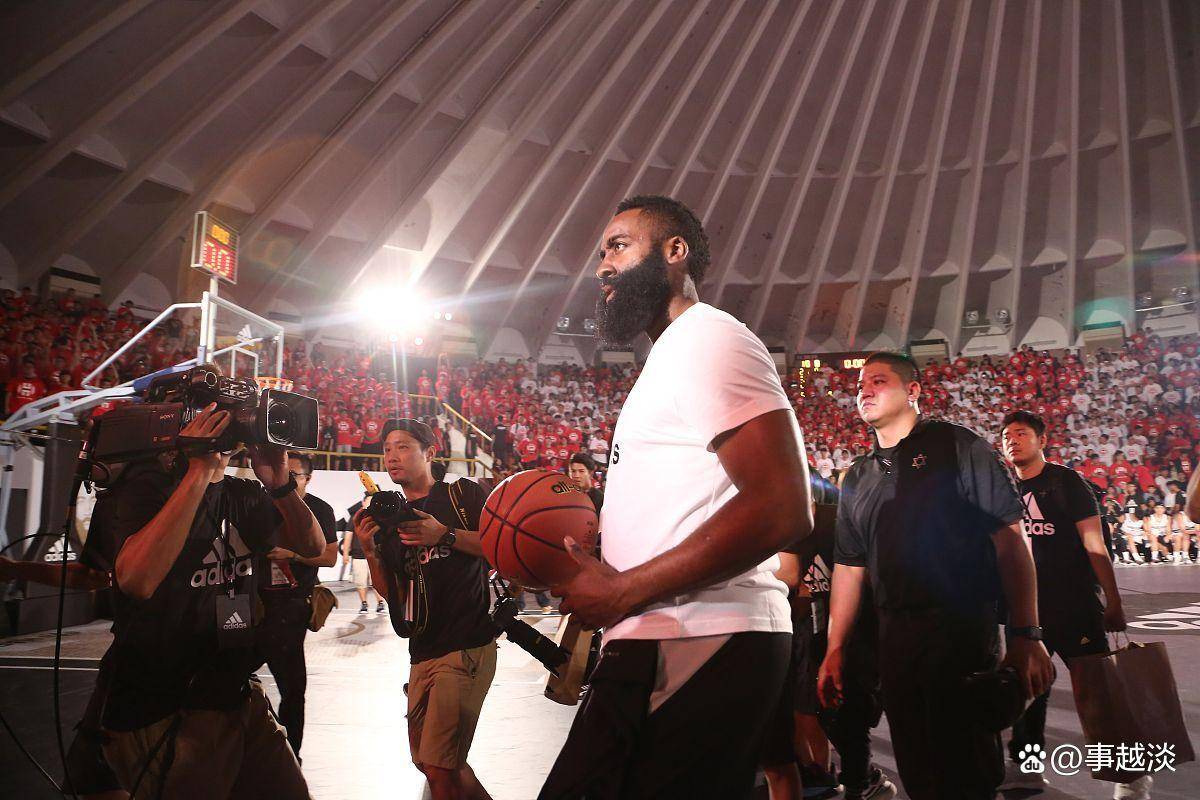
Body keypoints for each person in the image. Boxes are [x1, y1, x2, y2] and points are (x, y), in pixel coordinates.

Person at [540, 195, 813, 799]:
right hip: (670, 633)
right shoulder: (670, 354)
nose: (602, 265)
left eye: (618, 245)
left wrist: (623, 589)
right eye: (601, 252)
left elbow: (782, 506)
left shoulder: (708, 339)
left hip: (700, 634)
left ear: (674, 251)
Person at [816, 352, 1053, 800]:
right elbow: (849, 566)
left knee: (966, 770)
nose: (863, 390)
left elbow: (1011, 541)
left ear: (913, 390)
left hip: (960, 629)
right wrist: (835, 648)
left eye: (878, 380)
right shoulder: (858, 476)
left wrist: (1026, 633)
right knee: (917, 768)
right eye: (860, 384)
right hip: (894, 636)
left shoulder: (957, 446)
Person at [99, 403, 327, 799]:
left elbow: (313, 546)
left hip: (235, 691)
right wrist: (199, 470)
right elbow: (137, 581)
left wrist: (281, 486)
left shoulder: (243, 495)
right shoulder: (145, 489)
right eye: (214, 408)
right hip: (165, 702)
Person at [352, 418, 497, 800]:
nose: (391, 456)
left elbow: (500, 548)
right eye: (386, 449)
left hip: (465, 645)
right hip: (422, 651)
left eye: (402, 446)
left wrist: (444, 535)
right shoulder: (389, 518)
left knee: (439, 766)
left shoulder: (461, 495)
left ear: (430, 452)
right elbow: (394, 595)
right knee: (429, 761)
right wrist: (370, 551)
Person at [997, 410, 1128, 793]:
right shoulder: (1003, 487)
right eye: (1006, 436)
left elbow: (1094, 543)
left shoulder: (1066, 482)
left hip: (1075, 606)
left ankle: (1126, 771)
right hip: (1026, 609)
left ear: (1042, 440)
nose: (1012, 440)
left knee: (1096, 689)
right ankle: (1026, 767)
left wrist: (1113, 600)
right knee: (1028, 690)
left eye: (1021, 433)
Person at [252, 452, 339, 757]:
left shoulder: (320, 509)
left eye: (293, 475)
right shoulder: (258, 505)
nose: (284, 480)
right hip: (253, 606)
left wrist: (292, 555)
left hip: (291, 609)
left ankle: (291, 757)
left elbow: (329, 557)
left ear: (308, 478)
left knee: (292, 691)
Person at [342, 500, 384, 614]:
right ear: (363, 502)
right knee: (360, 581)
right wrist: (345, 553)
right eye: (368, 501)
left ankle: (380, 602)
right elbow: (348, 535)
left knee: (376, 579)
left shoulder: (379, 517)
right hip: (358, 555)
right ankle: (364, 603)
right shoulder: (355, 518)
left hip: (376, 555)